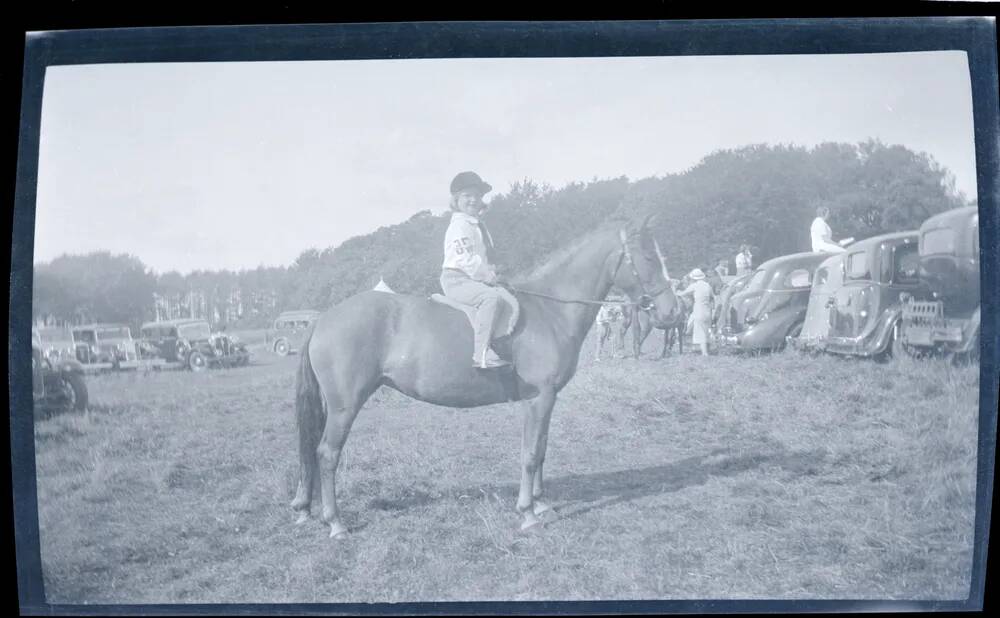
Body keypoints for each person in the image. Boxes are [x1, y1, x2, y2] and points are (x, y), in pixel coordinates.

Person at [440, 171, 518, 369]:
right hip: (457, 280)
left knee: (509, 297)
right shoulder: (459, 225)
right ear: (456, 199)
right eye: (467, 196)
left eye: (477, 195)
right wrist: (488, 277)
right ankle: (480, 354)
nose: (473, 200)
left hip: (474, 279)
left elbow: (484, 257)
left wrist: (496, 275)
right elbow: (466, 260)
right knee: (490, 298)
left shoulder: (476, 224)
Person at [677, 268, 714, 357]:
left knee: (700, 331)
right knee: (705, 330)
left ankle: (705, 353)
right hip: (707, 311)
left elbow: (683, 293)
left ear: (693, 279)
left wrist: (677, 292)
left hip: (699, 310)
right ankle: (696, 347)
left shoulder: (695, 285)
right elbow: (712, 297)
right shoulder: (707, 285)